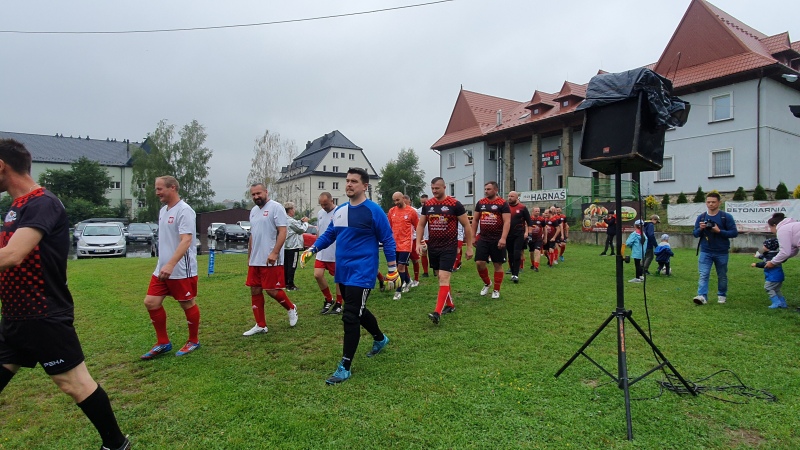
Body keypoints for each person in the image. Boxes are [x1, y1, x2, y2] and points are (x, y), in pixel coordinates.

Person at [0, 139, 129, 450]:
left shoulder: (42, 203)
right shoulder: (16, 207)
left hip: (43, 315)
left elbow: (13, 255)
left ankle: (116, 445)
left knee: (74, 384)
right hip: (15, 316)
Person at [301, 168, 396, 385]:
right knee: (357, 310)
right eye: (347, 180)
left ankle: (345, 366)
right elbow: (330, 234)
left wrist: (392, 269)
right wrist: (313, 249)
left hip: (363, 271)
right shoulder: (341, 210)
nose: (349, 184)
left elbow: (388, 239)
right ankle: (380, 339)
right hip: (343, 270)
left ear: (365, 186)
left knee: (350, 315)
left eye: (354, 181)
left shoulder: (374, 211)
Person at [141, 175, 202, 359]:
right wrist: (163, 264)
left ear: (172, 187)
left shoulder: (185, 211)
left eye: (160, 189)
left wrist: (171, 264)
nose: (157, 192)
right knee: (151, 302)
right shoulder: (163, 210)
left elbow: (186, 240)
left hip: (181, 269)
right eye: (156, 189)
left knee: (186, 303)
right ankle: (163, 342)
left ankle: (193, 341)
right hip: (162, 268)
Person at [242, 183, 298, 336]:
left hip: (270, 258)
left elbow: (283, 231)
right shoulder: (253, 211)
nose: (256, 197)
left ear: (266, 192)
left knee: (272, 290)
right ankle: (260, 325)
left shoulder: (276, 207)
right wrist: (250, 255)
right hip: (255, 259)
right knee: (255, 289)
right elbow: (253, 235)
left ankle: (291, 308)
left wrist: (274, 252)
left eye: (258, 193)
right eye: (253, 194)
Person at [417, 177, 474, 324]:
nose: (434, 191)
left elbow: (467, 226)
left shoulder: (454, 204)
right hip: (433, 247)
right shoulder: (428, 205)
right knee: (440, 277)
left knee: (443, 277)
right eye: (432, 188)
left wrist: (469, 247)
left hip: (449, 246)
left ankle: (437, 313)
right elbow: (421, 225)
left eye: (437, 188)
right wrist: (418, 242)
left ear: (444, 187)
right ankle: (450, 305)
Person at [692, 192, 738, 305]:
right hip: (706, 251)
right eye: (708, 202)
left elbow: (734, 233)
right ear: (706, 203)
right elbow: (695, 234)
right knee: (703, 274)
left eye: (713, 202)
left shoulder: (725, 217)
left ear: (719, 203)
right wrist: (701, 229)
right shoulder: (702, 217)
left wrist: (719, 231)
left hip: (721, 251)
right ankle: (702, 296)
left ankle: (722, 294)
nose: (711, 204)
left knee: (722, 275)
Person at [471, 181, 511, 298]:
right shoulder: (481, 203)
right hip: (483, 238)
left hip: (497, 238)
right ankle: (487, 283)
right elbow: (475, 220)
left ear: (496, 190)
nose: (486, 191)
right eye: (485, 189)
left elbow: (507, 222)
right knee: (479, 262)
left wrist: (503, 238)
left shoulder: (502, 203)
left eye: (488, 189)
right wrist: (473, 236)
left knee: (497, 264)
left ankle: (496, 290)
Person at [315, 192, 343, 315]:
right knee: (317, 275)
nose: (323, 207)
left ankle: (339, 303)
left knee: (338, 278)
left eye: (325, 204)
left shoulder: (340, 212)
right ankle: (328, 299)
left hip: (335, 252)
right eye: (321, 204)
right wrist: (315, 246)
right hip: (322, 251)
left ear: (332, 201)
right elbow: (319, 231)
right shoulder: (320, 213)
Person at [387, 192, 418, 300]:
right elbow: (389, 227)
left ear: (403, 198)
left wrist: (421, 241)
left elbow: (418, 226)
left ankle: (398, 291)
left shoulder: (411, 211)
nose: (396, 202)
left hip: (406, 243)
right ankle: (408, 281)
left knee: (401, 267)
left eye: (398, 200)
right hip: (394, 244)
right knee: (398, 267)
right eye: (394, 200)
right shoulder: (392, 211)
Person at [751, 235, 786, 309]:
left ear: (769, 247)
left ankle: (776, 302)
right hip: (778, 276)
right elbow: (764, 257)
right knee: (776, 289)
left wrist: (756, 264)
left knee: (768, 287)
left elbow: (766, 264)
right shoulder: (774, 254)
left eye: (764, 245)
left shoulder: (771, 256)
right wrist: (757, 256)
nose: (763, 246)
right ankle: (782, 303)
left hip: (773, 276)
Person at [506, 191, 531, 283]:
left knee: (517, 253)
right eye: (509, 196)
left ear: (517, 197)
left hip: (519, 234)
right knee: (510, 254)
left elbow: (529, 222)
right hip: (508, 234)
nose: (510, 198)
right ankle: (512, 272)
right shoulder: (505, 207)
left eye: (512, 196)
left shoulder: (522, 208)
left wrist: (528, 233)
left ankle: (516, 274)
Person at [283, 202, 309, 291]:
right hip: (293, 247)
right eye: (294, 209)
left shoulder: (284, 219)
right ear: (290, 210)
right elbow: (301, 230)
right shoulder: (290, 221)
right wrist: (305, 223)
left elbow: (295, 224)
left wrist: (300, 221)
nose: (294, 211)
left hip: (285, 247)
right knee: (292, 266)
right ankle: (290, 284)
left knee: (286, 266)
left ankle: (285, 283)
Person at [404, 194, 422, 286]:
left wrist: (420, 237)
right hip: (403, 240)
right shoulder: (398, 210)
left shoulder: (414, 211)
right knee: (403, 262)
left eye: (405, 202)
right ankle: (407, 279)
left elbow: (419, 223)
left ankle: (416, 279)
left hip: (413, 238)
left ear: (409, 201)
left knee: (414, 259)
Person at [417, 194, 431, 277]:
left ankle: (435, 269)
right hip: (424, 236)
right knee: (424, 253)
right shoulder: (418, 211)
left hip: (432, 236)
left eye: (425, 202)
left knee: (433, 254)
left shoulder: (432, 209)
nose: (423, 204)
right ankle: (425, 272)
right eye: (422, 202)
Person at [527, 207, 544, 271]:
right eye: (536, 211)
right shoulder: (529, 219)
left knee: (537, 250)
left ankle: (536, 266)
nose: (537, 212)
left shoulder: (541, 219)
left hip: (538, 238)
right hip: (531, 238)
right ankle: (533, 264)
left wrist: (545, 237)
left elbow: (544, 228)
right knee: (531, 252)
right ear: (532, 212)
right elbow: (526, 226)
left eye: (538, 211)